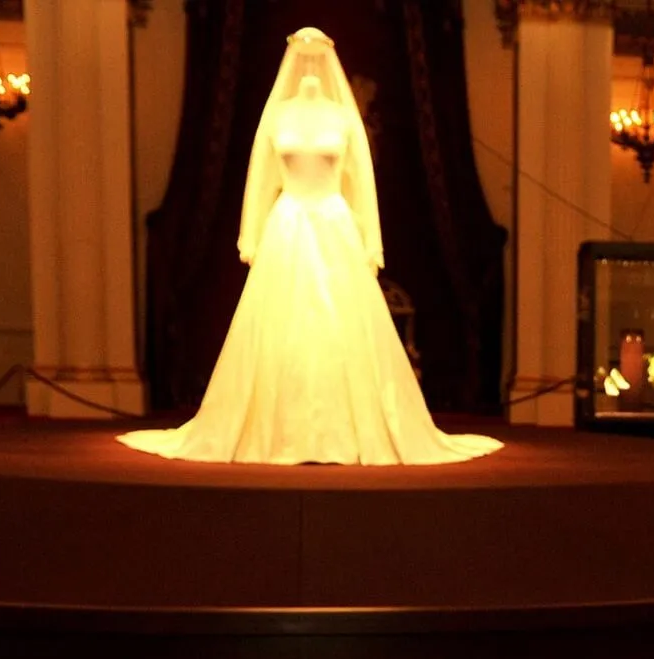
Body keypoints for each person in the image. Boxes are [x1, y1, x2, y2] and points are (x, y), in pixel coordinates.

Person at [119, 28, 503, 466]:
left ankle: (344, 428)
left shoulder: (343, 118)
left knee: (342, 327)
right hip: (288, 227)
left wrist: (370, 241)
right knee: (281, 326)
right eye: (300, 54)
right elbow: (260, 176)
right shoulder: (277, 115)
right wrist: (251, 234)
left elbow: (362, 181)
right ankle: (278, 428)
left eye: (316, 54)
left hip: (334, 225)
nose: (308, 61)